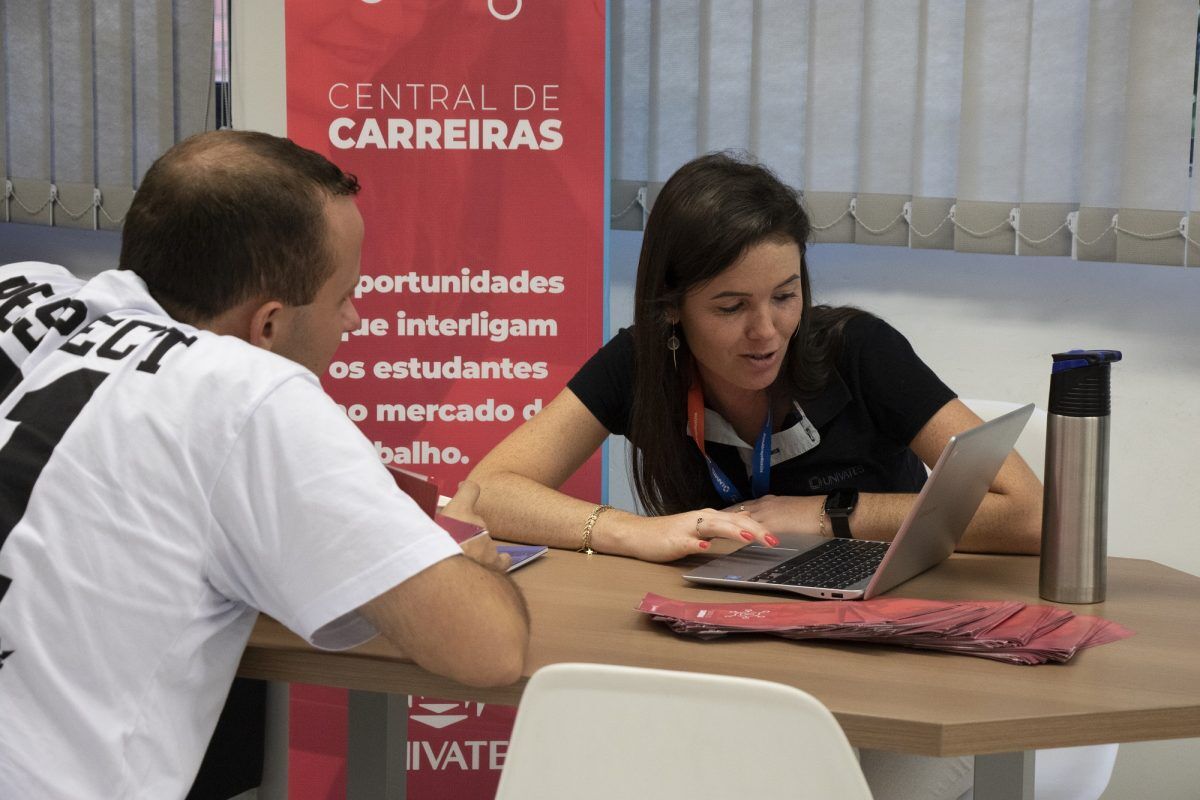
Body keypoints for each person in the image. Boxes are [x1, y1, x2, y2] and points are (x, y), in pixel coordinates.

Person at [467, 151, 1041, 800]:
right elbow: (484, 494)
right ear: (673, 307)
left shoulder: (859, 351)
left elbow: (1028, 513)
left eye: (785, 296)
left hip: (887, 673)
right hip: (729, 667)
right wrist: (631, 531)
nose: (766, 333)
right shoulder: (641, 365)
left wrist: (830, 514)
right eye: (731, 306)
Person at [0, 130, 529, 800]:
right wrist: (463, 550)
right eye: (344, 296)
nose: (355, 319)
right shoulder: (248, 391)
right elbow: (487, 649)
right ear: (269, 326)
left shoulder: (19, 288)